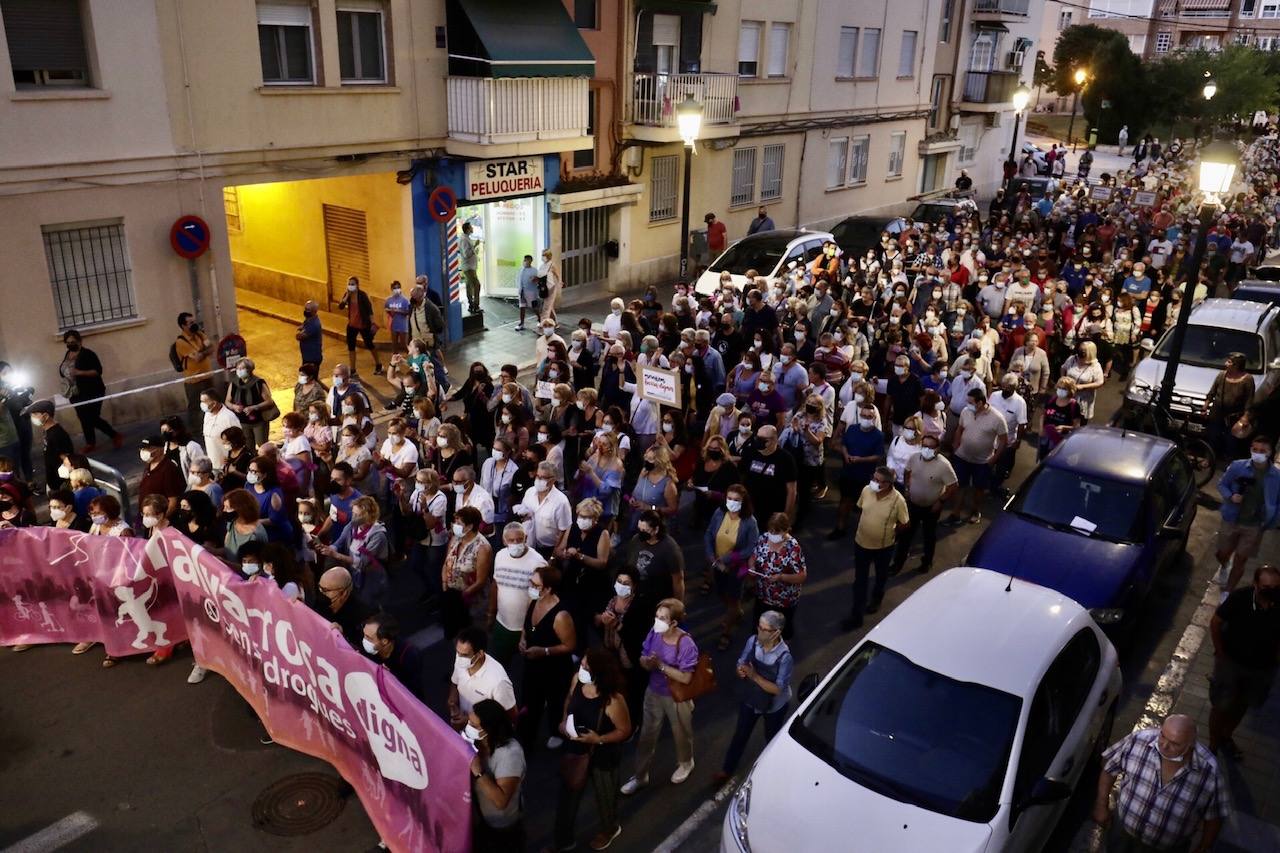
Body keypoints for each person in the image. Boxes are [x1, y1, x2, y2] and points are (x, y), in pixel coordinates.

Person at [1093, 715, 1229, 853]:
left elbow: (1215, 815)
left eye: (1175, 744)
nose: (1164, 745)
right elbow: (1110, 769)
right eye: (1162, 736)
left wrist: (1204, 847)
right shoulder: (1138, 740)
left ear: (1191, 745)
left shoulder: (1209, 772)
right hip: (1122, 832)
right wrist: (1101, 805)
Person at [550, 648, 633, 853]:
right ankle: (563, 840)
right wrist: (563, 720)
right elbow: (569, 700)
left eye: (587, 667)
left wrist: (600, 739)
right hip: (576, 749)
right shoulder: (578, 679)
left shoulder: (613, 700)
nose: (582, 669)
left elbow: (624, 730)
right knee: (568, 797)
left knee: (605, 795)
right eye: (582, 665)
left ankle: (609, 828)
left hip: (602, 755)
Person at [621, 598, 699, 794]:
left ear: (674, 622)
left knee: (681, 734)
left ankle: (686, 763)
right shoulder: (654, 633)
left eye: (663, 618)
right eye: (657, 617)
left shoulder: (686, 643)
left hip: (676, 697)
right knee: (646, 736)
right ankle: (640, 775)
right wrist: (647, 662)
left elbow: (686, 678)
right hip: (654, 692)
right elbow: (643, 656)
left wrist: (661, 666)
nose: (658, 621)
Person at [1208, 564, 1280, 760]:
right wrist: (1220, 652)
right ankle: (1213, 744)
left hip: (1261, 668)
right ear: (1256, 584)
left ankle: (1226, 736)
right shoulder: (1240, 598)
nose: (1272, 592)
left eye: (1276, 587)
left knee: (1243, 704)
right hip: (1231, 662)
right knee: (1221, 705)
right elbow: (1216, 622)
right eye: (1266, 587)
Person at [713, 609, 794, 785]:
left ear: (777, 632)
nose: (760, 632)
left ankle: (770, 771)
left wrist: (753, 676)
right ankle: (727, 769)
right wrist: (741, 671)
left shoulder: (785, 657)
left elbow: (777, 690)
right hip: (753, 698)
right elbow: (741, 661)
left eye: (765, 629)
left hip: (774, 706)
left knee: (771, 738)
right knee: (740, 734)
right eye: (759, 627)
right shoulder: (753, 641)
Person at [841, 466, 909, 631]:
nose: (874, 483)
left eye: (878, 481)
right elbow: (861, 508)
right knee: (860, 581)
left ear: (888, 484)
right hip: (861, 543)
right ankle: (857, 615)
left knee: (881, 576)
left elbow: (905, 523)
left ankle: (877, 599)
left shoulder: (898, 500)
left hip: (883, 547)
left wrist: (893, 534)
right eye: (874, 478)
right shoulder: (866, 490)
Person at [518, 564, 577, 748]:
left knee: (555, 701)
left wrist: (543, 651)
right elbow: (527, 625)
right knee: (529, 700)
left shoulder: (561, 616)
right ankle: (526, 737)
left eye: (535, 585)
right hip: (532, 664)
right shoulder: (533, 601)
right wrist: (523, 638)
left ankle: (556, 731)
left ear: (548, 588)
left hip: (555, 669)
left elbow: (570, 645)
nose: (531, 587)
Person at [1214, 436, 1280, 593]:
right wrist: (1231, 496)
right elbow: (1222, 484)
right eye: (1255, 449)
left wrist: (1272, 521)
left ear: (1270, 452)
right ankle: (1224, 564)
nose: (1258, 453)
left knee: (1240, 560)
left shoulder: (1276, 476)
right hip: (1231, 519)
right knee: (1222, 553)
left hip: (1254, 525)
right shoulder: (1238, 466)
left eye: (1262, 451)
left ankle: (1227, 591)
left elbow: (1277, 501)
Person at [468, 698, 527, 851]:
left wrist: (478, 772)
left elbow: (501, 801)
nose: (469, 728)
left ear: (489, 728)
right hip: (481, 819)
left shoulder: (509, 755)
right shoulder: (477, 742)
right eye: (469, 722)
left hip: (503, 830)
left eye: (474, 725)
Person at [893, 433, 957, 575]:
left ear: (937, 449)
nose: (927, 449)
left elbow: (953, 486)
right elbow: (907, 472)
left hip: (931, 508)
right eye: (924, 446)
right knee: (906, 535)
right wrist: (908, 488)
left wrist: (941, 501)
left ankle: (927, 562)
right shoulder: (914, 458)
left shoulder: (944, 465)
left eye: (930, 447)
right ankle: (898, 563)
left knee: (929, 536)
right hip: (913, 504)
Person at [945, 388, 1008, 526]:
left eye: (970, 402)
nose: (968, 405)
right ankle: (955, 514)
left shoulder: (997, 418)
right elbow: (960, 429)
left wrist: (993, 459)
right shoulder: (966, 412)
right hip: (962, 457)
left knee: (979, 488)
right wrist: (956, 445)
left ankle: (975, 511)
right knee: (960, 485)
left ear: (980, 403)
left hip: (983, 461)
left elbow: (1003, 440)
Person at [488, 522, 546, 665]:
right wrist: (491, 613)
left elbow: (543, 598)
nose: (515, 543)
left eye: (519, 540)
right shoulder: (500, 556)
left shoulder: (538, 562)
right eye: (511, 540)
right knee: (499, 664)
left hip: (526, 627)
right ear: (504, 541)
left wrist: (531, 627)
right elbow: (495, 585)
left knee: (531, 666)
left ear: (526, 538)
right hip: (502, 623)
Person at [58, 329, 122, 453]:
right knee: (83, 417)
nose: (70, 344)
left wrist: (79, 372)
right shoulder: (68, 354)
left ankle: (114, 435)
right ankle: (90, 442)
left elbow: (97, 371)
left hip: (92, 390)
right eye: (68, 342)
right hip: (75, 393)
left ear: (79, 341)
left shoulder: (88, 354)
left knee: (92, 417)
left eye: (73, 341)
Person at [747, 512, 807, 639]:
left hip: (783, 600)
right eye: (770, 530)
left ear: (786, 530)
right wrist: (752, 566)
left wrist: (781, 577)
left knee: (781, 630)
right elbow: (753, 556)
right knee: (759, 626)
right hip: (763, 595)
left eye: (776, 532)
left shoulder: (793, 548)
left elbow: (802, 576)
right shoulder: (763, 538)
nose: (772, 535)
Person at [829, 404, 884, 540]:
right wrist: (845, 454)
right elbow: (844, 445)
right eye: (864, 416)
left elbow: (878, 456)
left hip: (866, 476)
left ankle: (865, 532)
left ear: (874, 418)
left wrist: (861, 459)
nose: (866, 419)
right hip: (848, 473)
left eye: (869, 416)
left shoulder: (878, 436)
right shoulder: (852, 429)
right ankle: (840, 528)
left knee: (866, 506)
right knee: (844, 501)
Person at [439, 505, 493, 639]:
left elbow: (481, 581)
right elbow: (447, 562)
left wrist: (462, 596)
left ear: (469, 527)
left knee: (470, 635)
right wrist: (445, 583)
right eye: (455, 522)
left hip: (470, 600)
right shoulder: (456, 538)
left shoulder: (482, 547)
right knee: (453, 632)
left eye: (459, 523)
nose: (454, 525)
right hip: (452, 594)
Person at [448, 626, 517, 729]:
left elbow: (511, 715)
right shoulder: (461, 661)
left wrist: (469, 721)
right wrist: (452, 700)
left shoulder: (499, 682)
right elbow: (455, 682)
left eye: (464, 655)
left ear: (480, 653)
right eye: (457, 652)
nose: (458, 657)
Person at [1204, 353, 1255, 458]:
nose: (1226, 364)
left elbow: (1249, 400)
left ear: (1236, 365)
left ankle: (1230, 462)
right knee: (1213, 437)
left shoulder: (1247, 379)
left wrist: (1246, 417)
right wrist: (1205, 407)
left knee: (1231, 441)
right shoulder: (1222, 375)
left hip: (1234, 416)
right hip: (1217, 412)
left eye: (1229, 362)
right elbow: (1211, 393)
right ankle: (1210, 459)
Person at [314, 566, 373, 652]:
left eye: (326, 590)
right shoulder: (322, 602)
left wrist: (343, 639)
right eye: (320, 587)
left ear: (344, 593)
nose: (321, 593)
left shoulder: (364, 617)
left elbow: (364, 652)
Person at [173, 312, 214, 431]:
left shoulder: (200, 335)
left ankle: (210, 426)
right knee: (196, 406)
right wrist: (205, 351)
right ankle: (196, 430)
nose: (194, 325)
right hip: (194, 380)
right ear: (183, 326)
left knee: (212, 402)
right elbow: (198, 357)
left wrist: (204, 351)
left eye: (194, 322)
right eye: (191, 323)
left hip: (207, 376)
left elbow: (212, 348)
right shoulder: (181, 342)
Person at [224, 358, 275, 451]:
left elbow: (269, 401)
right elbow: (227, 401)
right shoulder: (234, 383)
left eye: (242, 368)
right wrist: (234, 407)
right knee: (247, 447)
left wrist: (254, 407)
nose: (239, 371)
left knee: (262, 445)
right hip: (242, 422)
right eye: (237, 368)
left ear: (249, 369)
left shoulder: (258, 383)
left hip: (258, 421)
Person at [337, 276, 382, 375]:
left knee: (369, 344)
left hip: (363, 325)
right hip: (352, 325)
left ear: (357, 285)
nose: (350, 286)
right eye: (349, 284)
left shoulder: (362, 295)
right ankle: (353, 369)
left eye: (352, 284)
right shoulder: (347, 295)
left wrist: (372, 323)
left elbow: (369, 310)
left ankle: (378, 364)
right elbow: (340, 306)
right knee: (351, 347)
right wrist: (346, 297)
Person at [26, 400, 75, 492]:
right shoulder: (47, 431)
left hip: (60, 484)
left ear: (46, 416)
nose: (32, 417)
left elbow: (66, 459)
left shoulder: (57, 434)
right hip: (53, 480)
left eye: (35, 414)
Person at [137, 435, 185, 518]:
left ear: (160, 449)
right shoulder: (149, 465)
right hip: (147, 516)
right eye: (143, 449)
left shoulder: (168, 469)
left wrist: (162, 520)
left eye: (148, 448)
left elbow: (173, 500)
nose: (144, 451)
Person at [1061, 340, 1105, 422]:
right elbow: (1063, 368)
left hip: (1083, 399)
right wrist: (1063, 380)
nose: (1080, 352)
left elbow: (1099, 382)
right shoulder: (1072, 359)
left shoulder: (1095, 366)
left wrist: (1082, 386)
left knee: (1080, 421)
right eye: (1080, 350)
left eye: (1083, 351)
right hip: (1068, 395)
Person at [200, 388, 240, 473]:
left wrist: (232, 458)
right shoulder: (207, 414)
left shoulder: (229, 417)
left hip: (227, 465)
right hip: (213, 463)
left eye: (204, 402)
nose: (202, 404)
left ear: (214, 403)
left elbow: (239, 440)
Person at [460, 222, 482, 315]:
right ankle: (475, 305)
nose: (472, 228)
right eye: (471, 227)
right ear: (468, 229)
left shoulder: (466, 238)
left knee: (469, 286)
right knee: (477, 285)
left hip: (470, 267)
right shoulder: (464, 239)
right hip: (469, 267)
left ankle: (471, 305)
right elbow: (466, 254)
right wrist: (475, 246)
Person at [296, 300, 324, 369]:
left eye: (308, 310)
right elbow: (304, 325)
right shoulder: (309, 319)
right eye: (305, 309)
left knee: (308, 378)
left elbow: (300, 337)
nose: (306, 311)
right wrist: (302, 327)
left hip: (312, 358)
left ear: (314, 311)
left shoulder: (314, 324)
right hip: (308, 356)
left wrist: (298, 335)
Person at [515, 254, 539, 331]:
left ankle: (540, 319)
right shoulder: (521, 270)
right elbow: (518, 280)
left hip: (531, 292)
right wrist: (519, 289)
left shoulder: (534, 271)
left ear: (530, 261)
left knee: (534, 307)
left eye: (527, 260)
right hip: (522, 292)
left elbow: (538, 281)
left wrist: (535, 280)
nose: (525, 262)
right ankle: (521, 323)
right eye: (524, 260)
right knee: (522, 307)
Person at [539, 248, 563, 322]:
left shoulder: (552, 265)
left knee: (546, 307)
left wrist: (560, 282)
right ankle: (555, 322)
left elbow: (557, 275)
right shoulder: (542, 266)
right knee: (549, 306)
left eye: (544, 255)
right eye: (542, 255)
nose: (543, 257)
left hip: (551, 288)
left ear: (549, 256)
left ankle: (543, 324)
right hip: (544, 288)